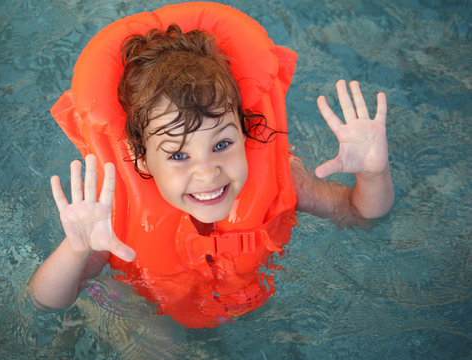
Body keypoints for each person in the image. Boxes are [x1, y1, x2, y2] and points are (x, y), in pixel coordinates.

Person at [27, 5, 393, 327]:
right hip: (151, 315)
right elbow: (44, 301)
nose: (207, 172)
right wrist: (76, 249)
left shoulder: (288, 176)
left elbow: (359, 215)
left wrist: (373, 173)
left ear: (245, 132)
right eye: (178, 155)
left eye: (221, 144)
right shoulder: (114, 217)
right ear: (143, 159)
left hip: (261, 311)